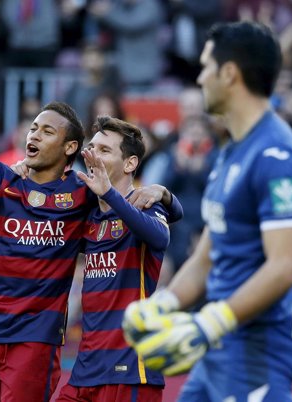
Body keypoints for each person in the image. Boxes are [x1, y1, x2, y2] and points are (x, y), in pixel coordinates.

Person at [0, 101, 179, 401]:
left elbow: (155, 226)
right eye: (32, 129)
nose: (34, 136)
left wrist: (164, 194)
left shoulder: (84, 195)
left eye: (46, 131)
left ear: (69, 146)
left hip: (39, 342)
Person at [122, 21, 292, 402]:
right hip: (220, 345)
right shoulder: (230, 151)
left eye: (207, 66)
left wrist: (212, 321)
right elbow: (208, 256)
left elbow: (284, 267)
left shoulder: (277, 155)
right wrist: (166, 303)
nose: (200, 77)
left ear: (229, 74)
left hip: (258, 346)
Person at [56, 116, 174, 401]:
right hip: (86, 368)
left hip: (131, 369)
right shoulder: (90, 216)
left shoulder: (146, 204)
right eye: (92, 147)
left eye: (105, 150)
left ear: (130, 164)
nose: (93, 155)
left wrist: (160, 194)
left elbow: (160, 238)